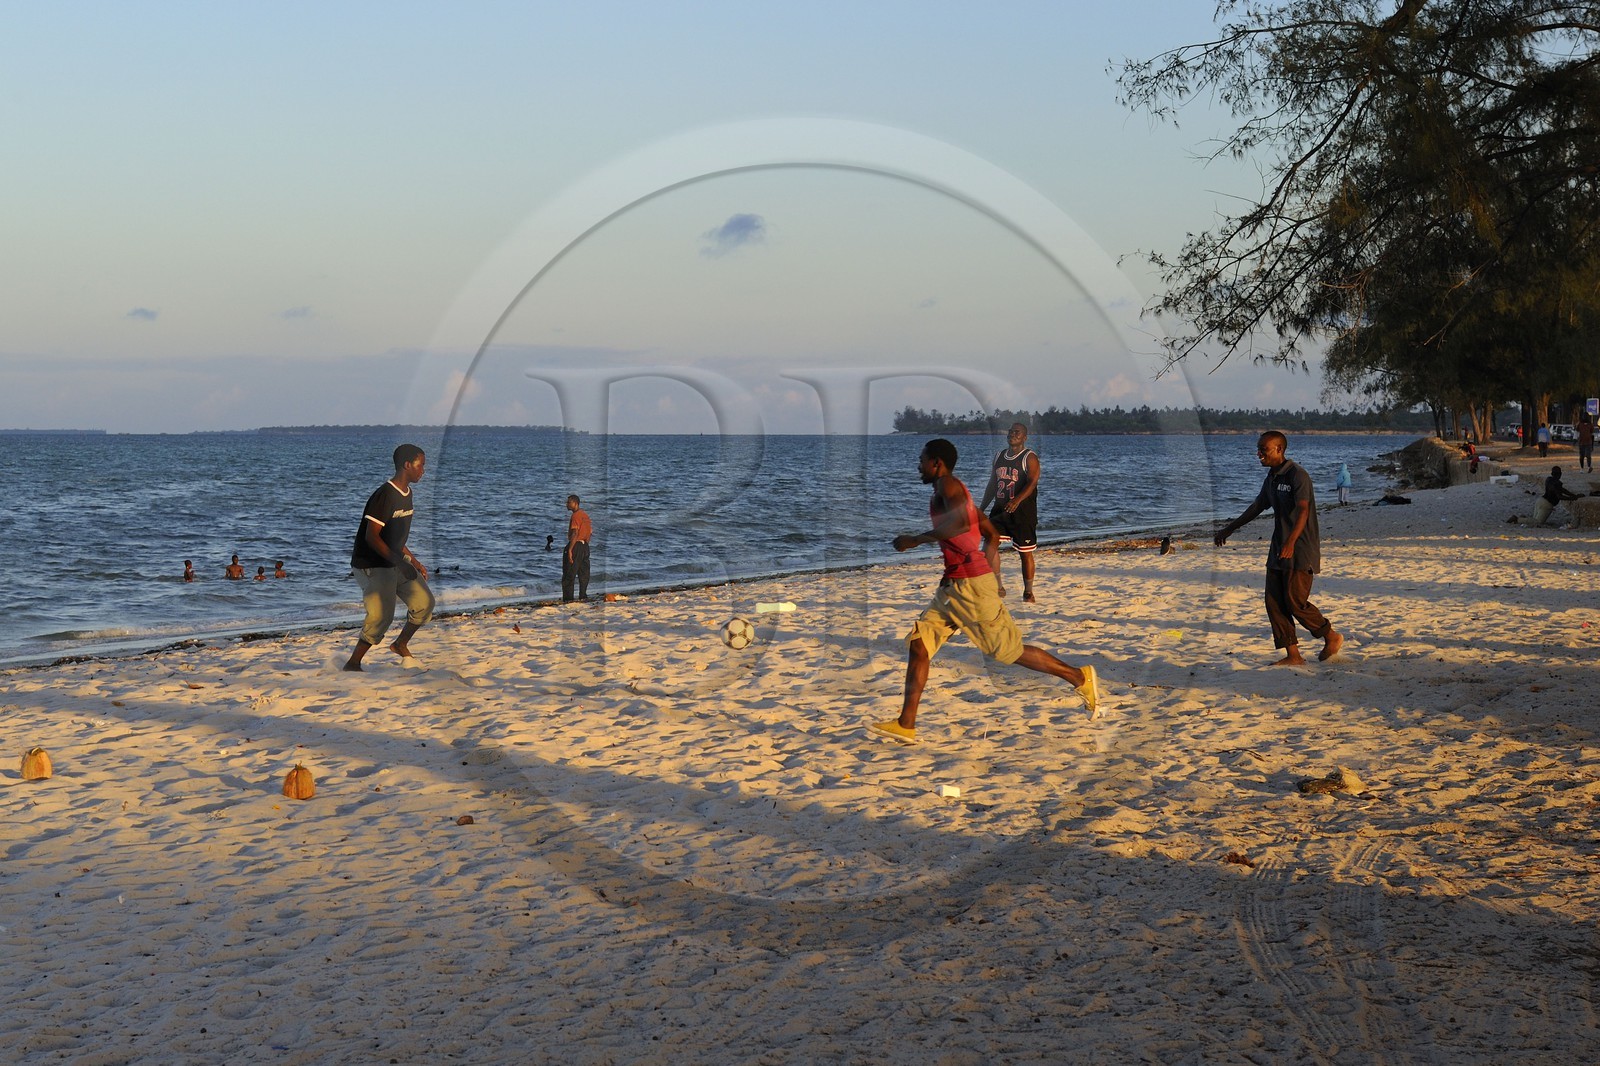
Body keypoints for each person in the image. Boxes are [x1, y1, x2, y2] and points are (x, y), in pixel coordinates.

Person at [872, 438, 1098, 743]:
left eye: (922, 459)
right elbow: (987, 529)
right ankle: (906, 724)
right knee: (919, 644)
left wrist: (917, 539)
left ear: (937, 462)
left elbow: (962, 525)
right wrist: (968, 564)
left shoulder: (947, 489)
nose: (918, 464)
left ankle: (1079, 677)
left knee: (1009, 652)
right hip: (955, 585)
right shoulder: (956, 489)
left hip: (971, 587)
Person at [1214, 431, 1342, 666]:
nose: (1259, 454)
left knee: (1295, 602)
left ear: (1279, 450)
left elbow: (1303, 510)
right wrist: (1229, 529)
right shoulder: (1271, 478)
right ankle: (1293, 655)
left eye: (1264, 450)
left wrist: (1291, 542)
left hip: (1300, 548)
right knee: (1274, 601)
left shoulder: (1297, 475)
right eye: (1259, 449)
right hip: (1278, 548)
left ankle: (1330, 636)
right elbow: (1256, 507)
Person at [343, 444, 434, 671]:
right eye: (420, 465)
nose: (423, 469)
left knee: (424, 603)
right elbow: (372, 538)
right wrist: (399, 565)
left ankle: (400, 644)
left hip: (393, 560)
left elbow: (397, 539)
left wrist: (413, 561)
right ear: (407, 465)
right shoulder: (384, 495)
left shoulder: (407, 493)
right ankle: (353, 664)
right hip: (371, 563)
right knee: (382, 616)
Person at [978, 422, 1041, 602]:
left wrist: (1017, 500)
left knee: (1025, 552)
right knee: (989, 545)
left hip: (1023, 512)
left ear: (1024, 437)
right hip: (1000, 510)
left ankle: (1028, 591)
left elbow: (1032, 482)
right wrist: (982, 507)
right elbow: (992, 484)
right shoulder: (999, 456)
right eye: (1011, 431)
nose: (1013, 434)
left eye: (1017, 432)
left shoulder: (1029, 457)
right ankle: (998, 586)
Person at [562, 494, 592, 603]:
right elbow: (590, 533)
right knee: (584, 573)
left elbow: (575, 533)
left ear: (575, 503)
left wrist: (570, 549)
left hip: (576, 544)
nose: (567, 504)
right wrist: (585, 545)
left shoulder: (576, 516)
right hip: (585, 546)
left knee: (569, 574)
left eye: (569, 502)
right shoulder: (585, 516)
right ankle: (583, 596)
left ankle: (568, 599)